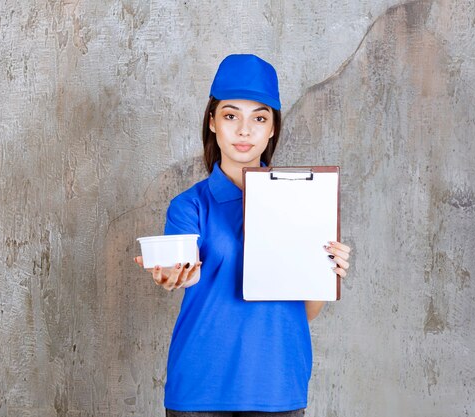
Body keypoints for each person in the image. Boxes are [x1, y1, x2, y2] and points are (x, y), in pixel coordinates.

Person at [135, 54, 351, 417]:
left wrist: (326, 273)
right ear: (213, 123)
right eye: (231, 116)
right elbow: (180, 267)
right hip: (201, 387)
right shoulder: (190, 205)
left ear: (272, 129)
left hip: (277, 384)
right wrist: (174, 275)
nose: (245, 131)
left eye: (260, 118)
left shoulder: (304, 201)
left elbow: (302, 313)